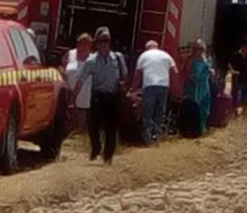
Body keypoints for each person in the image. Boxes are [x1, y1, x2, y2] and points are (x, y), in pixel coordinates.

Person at [75, 27, 128, 164]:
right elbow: (80, 79)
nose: (104, 44)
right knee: (92, 125)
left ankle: (108, 156)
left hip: (112, 96)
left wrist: (123, 84)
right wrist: (73, 97)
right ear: (96, 43)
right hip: (98, 96)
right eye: (101, 41)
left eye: (107, 41)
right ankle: (96, 147)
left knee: (111, 128)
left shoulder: (118, 58)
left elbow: (125, 75)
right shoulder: (91, 61)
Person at [133, 40, 178, 145]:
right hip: (163, 86)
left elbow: (137, 74)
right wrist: (175, 88)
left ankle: (147, 139)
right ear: (157, 47)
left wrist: (133, 89)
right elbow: (175, 71)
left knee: (147, 113)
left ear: (147, 48)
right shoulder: (166, 56)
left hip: (149, 86)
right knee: (159, 112)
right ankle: (157, 137)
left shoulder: (143, 56)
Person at [182, 39, 213, 133]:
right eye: (197, 49)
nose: (199, 51)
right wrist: (192, 77)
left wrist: (211, 72)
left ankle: (202, 127)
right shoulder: (191, 60)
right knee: (194, 106)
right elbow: (186, 73)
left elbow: (210, 69)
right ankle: (193, 128)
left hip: (204, 86)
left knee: (205, 107)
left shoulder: (207, 58)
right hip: (194, 87)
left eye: (201, 49)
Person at [64, 33, 93, 133]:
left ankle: (79, 137)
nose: (83, 46)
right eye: (81, 43)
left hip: (84, 96)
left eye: (87, 44)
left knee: (81, 118)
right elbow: (63, 69)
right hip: (69, 92)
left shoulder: (92, 59)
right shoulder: (70, 54)